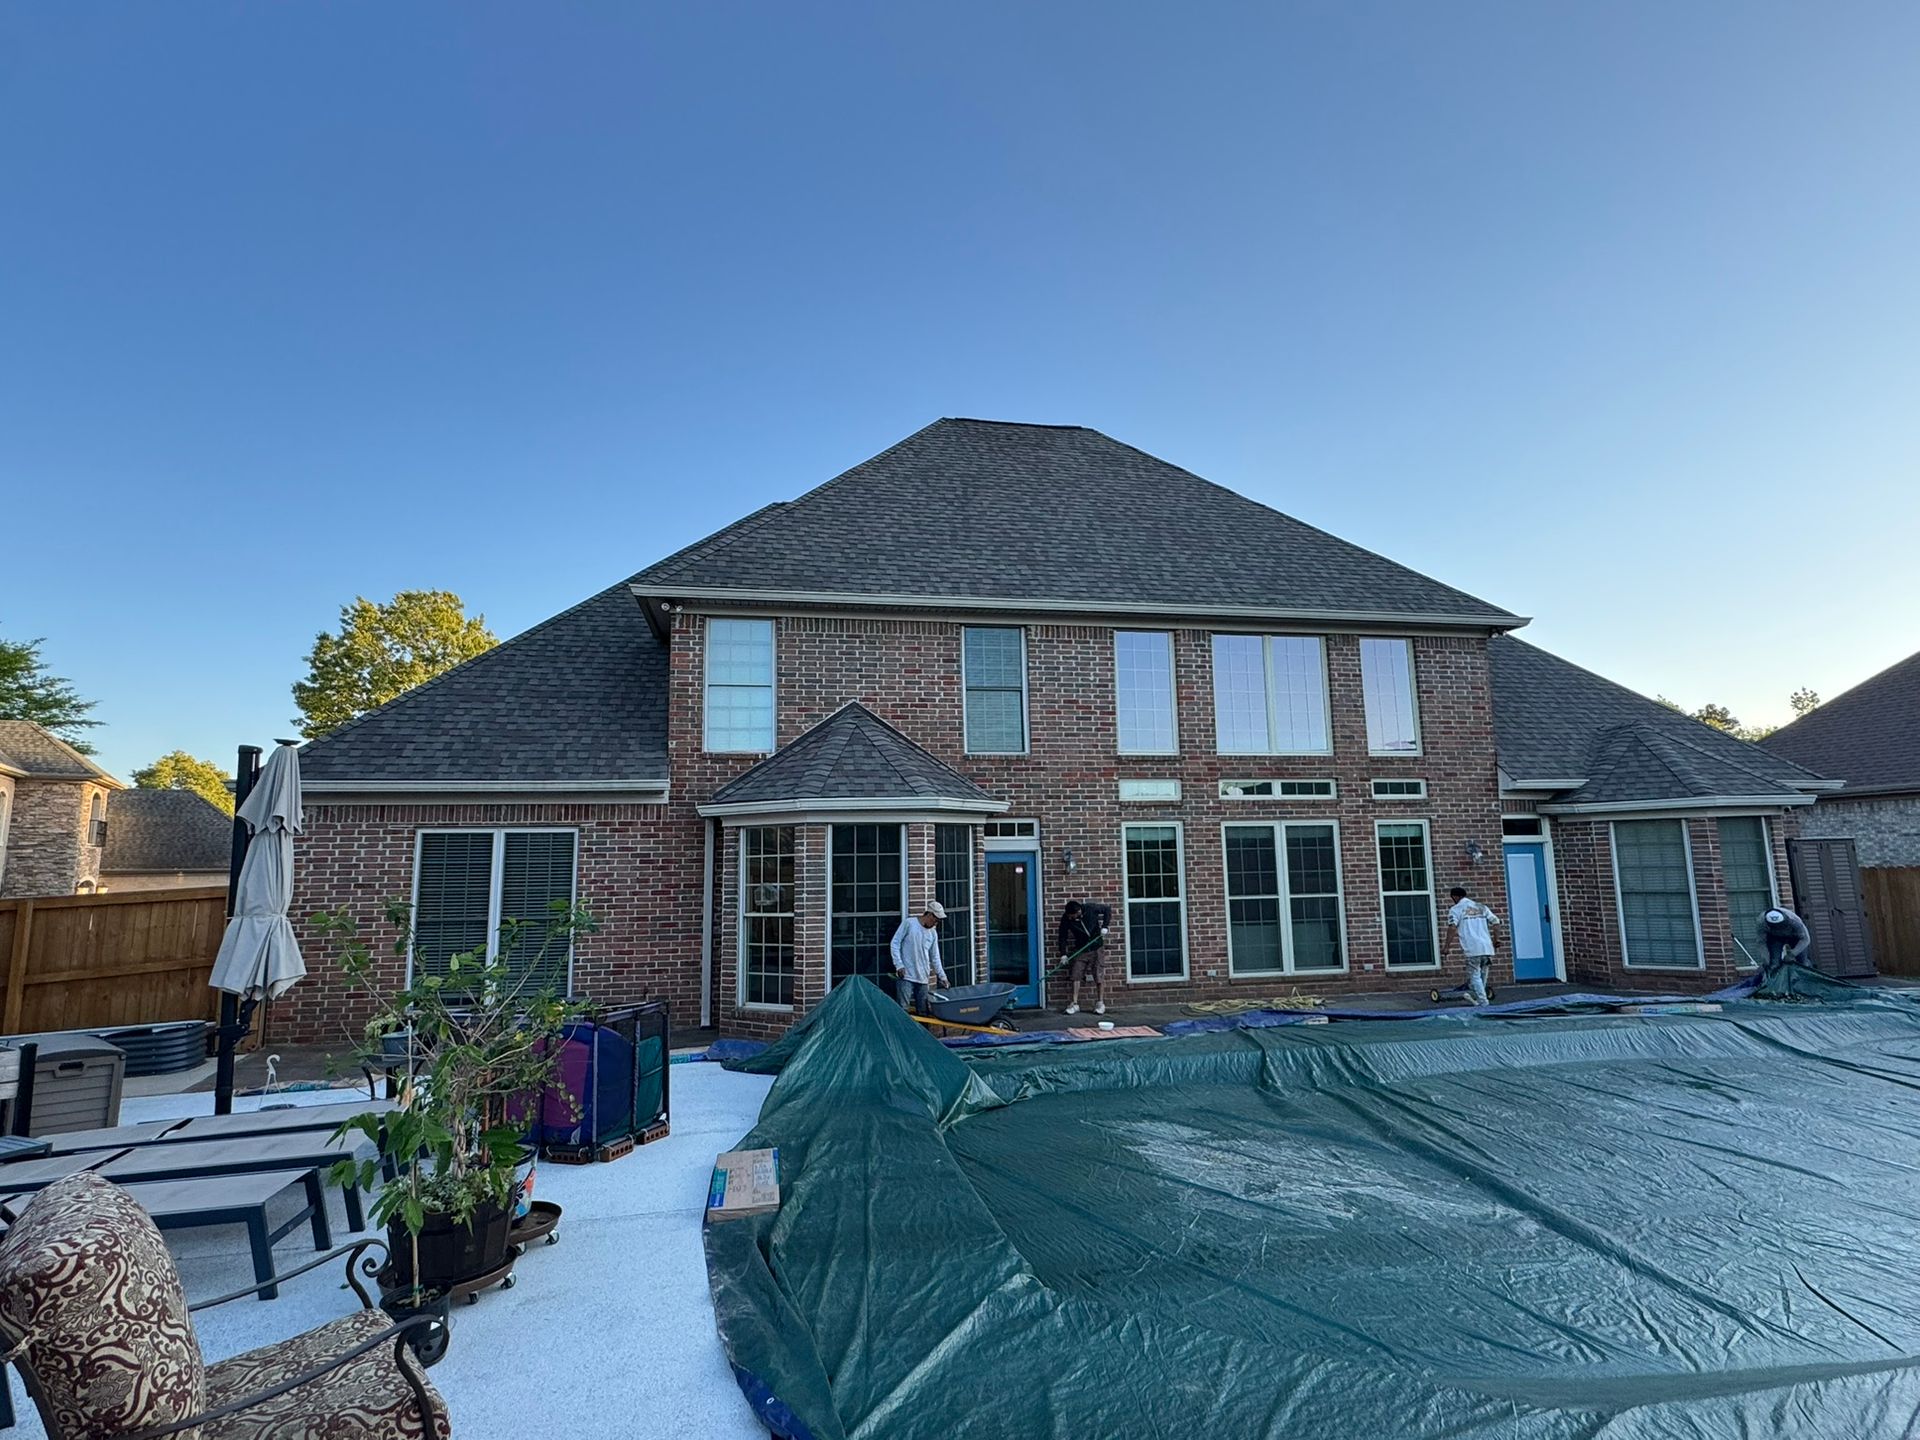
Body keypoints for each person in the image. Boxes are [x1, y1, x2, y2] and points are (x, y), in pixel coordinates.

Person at [890, 900, 950, 1015]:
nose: (935, 923)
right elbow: (895, 943)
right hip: (906, 975)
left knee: (923, 1011)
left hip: (923, 977)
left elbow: (935, 956)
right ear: (929, 915)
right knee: (903, 1009)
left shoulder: (932, 933)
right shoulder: (909, 924)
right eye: (935, 920)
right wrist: (899, 965)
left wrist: (942, 977)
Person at [1446, 887, 1503, 1006]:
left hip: (1472, 948)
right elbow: (1496, 922)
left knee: (1475, 975)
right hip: (1487, 948)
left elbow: (1452, 927)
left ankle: (1483, 1002)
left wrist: (1446, 946)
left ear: (1455, 897)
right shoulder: (1481, 907)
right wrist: (1496, 939)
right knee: (1483, 975)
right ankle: (1478, 997)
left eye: (1452, 898)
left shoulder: (1456, 909)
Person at [1058, 900, 1110, 1016]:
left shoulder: (1090, 908)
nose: (1071, 918)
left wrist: (1105, 926)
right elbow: (1062, 936)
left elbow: (1107, 909)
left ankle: (1100, 1003)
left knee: (1098, 974)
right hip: (1081, 948)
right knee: (1075, 974)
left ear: (1078, 911)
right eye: (1069, 916)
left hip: (1096, 946)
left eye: (1073, 916)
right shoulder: (1066, 918)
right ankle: (1074, 1003)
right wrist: (1063, 954)